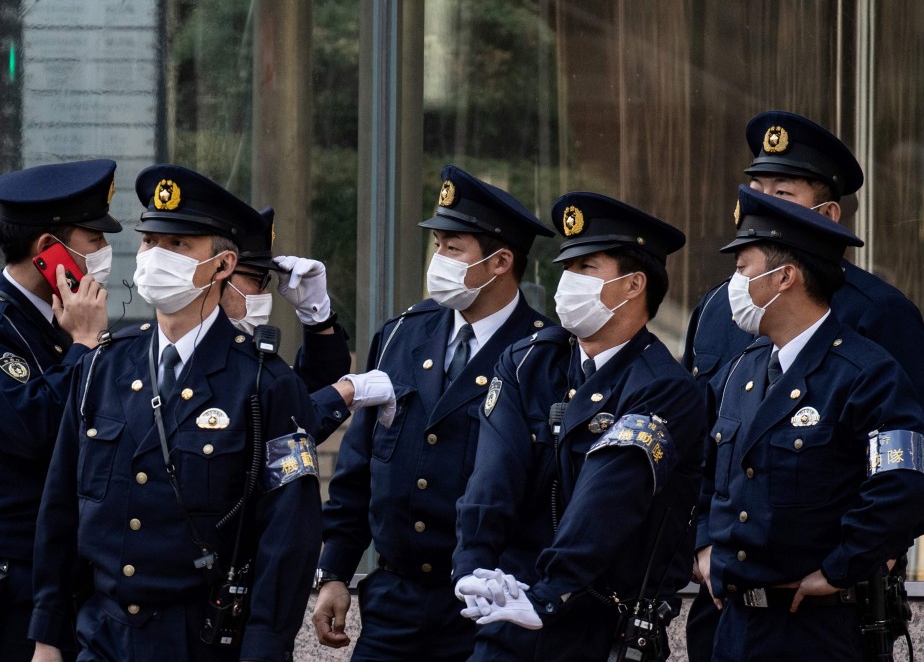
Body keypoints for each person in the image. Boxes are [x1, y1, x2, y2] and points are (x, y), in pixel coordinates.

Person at [682, 110, 924, 661]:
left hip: (823, 604)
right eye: (754, 190)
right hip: (727, 599)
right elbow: (702, 442)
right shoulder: (718, 308)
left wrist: (871, 549)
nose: (757, 204)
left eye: (781, 193)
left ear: (827, 213)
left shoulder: (875, 314)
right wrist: (702, 542)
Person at [28, 164, 321, 661]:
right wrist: (46, 638)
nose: (155, 256)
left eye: (178, 245)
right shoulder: (102, 365)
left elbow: (288, 538)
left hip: (198, 640)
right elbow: (60, 510)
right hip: (103, 637)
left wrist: (264, 651)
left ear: (224, 266)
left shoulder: (265, 385)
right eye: (150, 242)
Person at [311, 164, 554, 661]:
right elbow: (359, 466)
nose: (437, 259)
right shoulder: (404, 333)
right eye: (437, 244)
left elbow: (545, 494)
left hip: (483, 608)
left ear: (500, 261)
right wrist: (334, 571)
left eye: (452, 248)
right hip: (392, 602)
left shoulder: (543, 355)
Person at [452, 192, 706, 661]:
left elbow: (607, 500)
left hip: (598, 627)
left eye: (586, 267)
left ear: (633, 285)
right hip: (509, 614)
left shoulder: (664, 388)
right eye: (567, 267)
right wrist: (472, 564)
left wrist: (550, 592)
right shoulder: (529, 361)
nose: (567, 281)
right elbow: (493, 473)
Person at [0, 159, 120, 661]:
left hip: (67, 562)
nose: (104, 253)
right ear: (47, 250)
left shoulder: (57, 317)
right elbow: (40, 430)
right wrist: (85, 345)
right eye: (94, 239)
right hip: (12, 572)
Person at [217, 203, 393, 441]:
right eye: (258, 279)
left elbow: (304, 392)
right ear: (220, 272)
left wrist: (318, 318)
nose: (265, 292)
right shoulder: (187, 350)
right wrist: (345, 392)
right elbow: (278, 427)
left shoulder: (244, 353)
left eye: (268, 281)